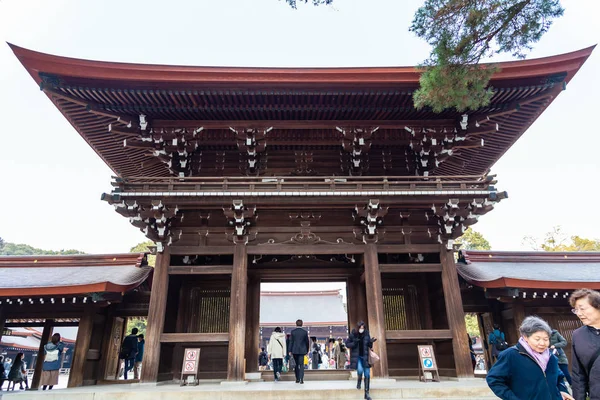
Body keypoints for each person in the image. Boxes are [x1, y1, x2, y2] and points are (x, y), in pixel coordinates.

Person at [486, 316, 573, 400]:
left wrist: (562, 390)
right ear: (525, 337)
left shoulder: (551, 357)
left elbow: (559, 377)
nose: (542, 343)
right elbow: (494, 379)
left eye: (546, 339)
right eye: (537, 339)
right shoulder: (511, 355)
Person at [569, 288, 600, 400]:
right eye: (576, 310)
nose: (579, 314)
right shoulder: (578, 335)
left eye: (582, 309)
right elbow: (578, 374)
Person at [346, 321, 376, 400]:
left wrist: (371, 342)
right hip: (358, 356)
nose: (361, 329)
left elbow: (369, 345)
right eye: (360, 328)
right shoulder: (353, 334)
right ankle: (359, 381)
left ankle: (366, 393)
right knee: (360, 370)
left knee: (367, 374)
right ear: (358, 327)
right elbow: (347, 344)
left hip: (365, 356)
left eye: (363, 328)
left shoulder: (366, 334)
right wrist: (354, 342)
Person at [288, 319, 309, 384]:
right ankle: (301, 379)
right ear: (302, 324)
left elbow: (291, 341)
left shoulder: (293, 332)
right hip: (302, 350)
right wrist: (307, 349)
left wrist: (289, 350)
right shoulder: (304, 332)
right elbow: (307, 342)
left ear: (296, 324)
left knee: (296, 365)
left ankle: (297, 378)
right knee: (301, 364)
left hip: (295, 350)